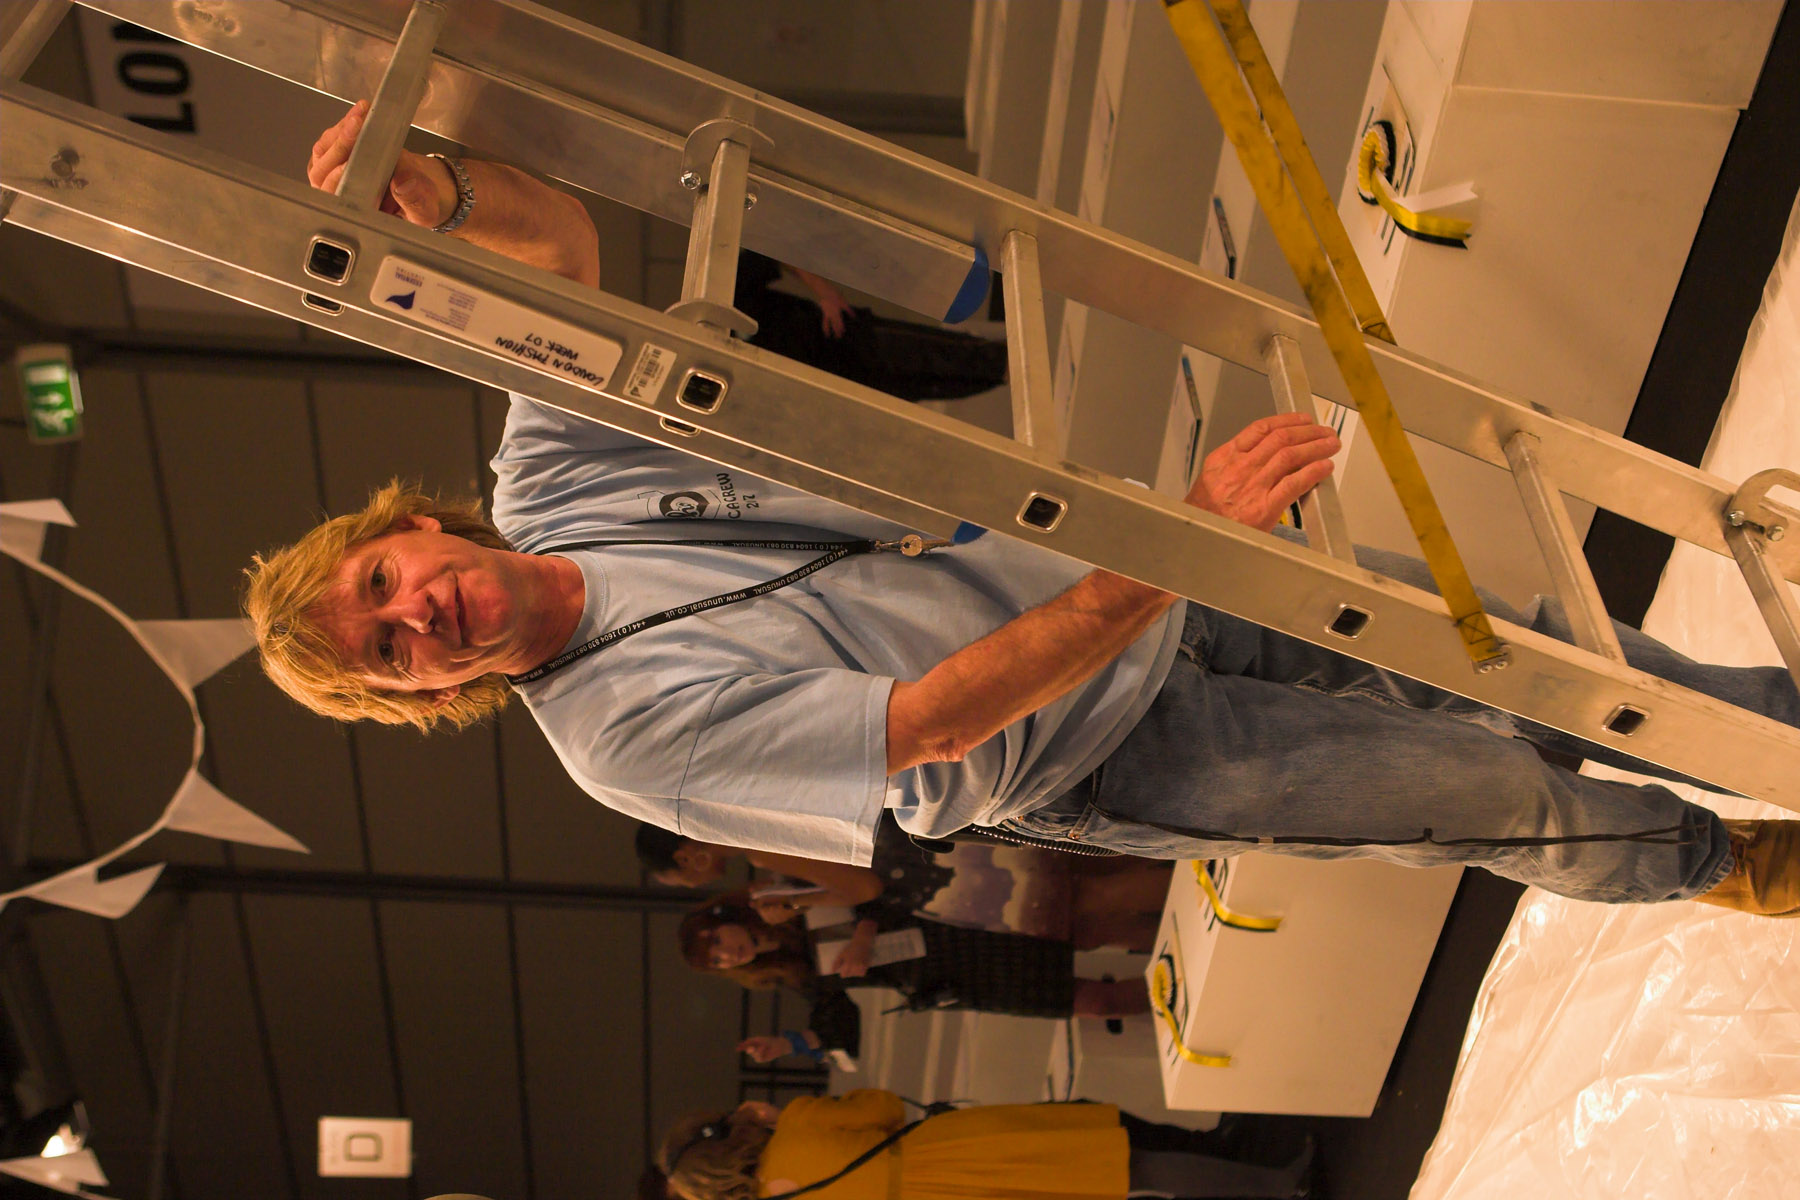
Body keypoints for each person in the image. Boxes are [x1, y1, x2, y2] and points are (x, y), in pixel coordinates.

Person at [249, 102, 1800, 919]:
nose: (415, 614)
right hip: (1101, 740)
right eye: (390, 652)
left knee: (1528, 653)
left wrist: (443, 196)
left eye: (382, 582)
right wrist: (1174, 543)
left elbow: (559, 266)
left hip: (1139, 581)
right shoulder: (619, 741)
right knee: (1487, 791)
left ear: (412, 530)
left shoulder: (549, 484)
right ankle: (1733, 867)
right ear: (426, 697)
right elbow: (928, 723)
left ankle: (1777, 723)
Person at [679, 890, 1148, 1064]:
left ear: (725, 916)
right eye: (717, 962)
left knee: (1090, 933)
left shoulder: (783, 900)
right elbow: (837, 1024)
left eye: (716, 942)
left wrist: (863, 937)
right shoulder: (792, 973)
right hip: (946, 982)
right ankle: (1174, 996)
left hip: (950, 929)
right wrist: (788, 1044)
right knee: (1094, 1004)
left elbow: (868, 886)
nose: (728, 955)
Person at [657, 1090, 1317, 1200]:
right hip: (962, 1152)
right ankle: (1278, 1186)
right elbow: (882, 1108)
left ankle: (1263, 1181)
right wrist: (777, 1116)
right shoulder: (799, 1123)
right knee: (1128, 1163)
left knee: (1126, 1181)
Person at [639, 821, 1169, 951]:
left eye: (681, 874)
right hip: (931, 845)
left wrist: (796, 905)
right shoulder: (750, 821)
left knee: (1082, 898)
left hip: (933, 874)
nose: (692, 881)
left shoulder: (756, 845)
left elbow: (860, 888)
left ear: (687, 853)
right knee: (1088, 872)